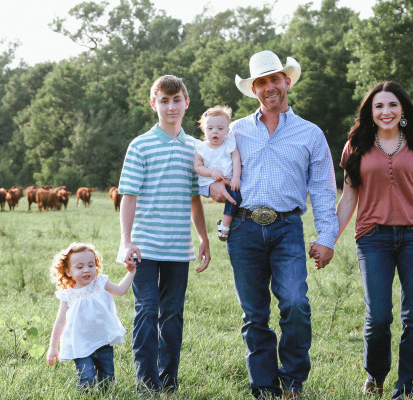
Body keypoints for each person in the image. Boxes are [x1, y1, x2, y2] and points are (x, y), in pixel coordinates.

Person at [209, 50, 338, 399]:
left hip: (286, 228)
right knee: (255, 313)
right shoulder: (234, 131)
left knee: (295, 302)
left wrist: (328, 237)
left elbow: (324, 190)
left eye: (275, 79)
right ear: (254, 90)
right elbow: (208, 164)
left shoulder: (310, 134)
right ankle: (264, 387)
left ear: (287, 81)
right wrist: (213, 185)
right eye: (261, 82)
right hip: (244, 227)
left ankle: (293, 380)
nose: (269, 87)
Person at [335, 81, 413, 399]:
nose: (386, 111)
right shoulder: (355, 146)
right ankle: (375, 376)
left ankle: (410, 387)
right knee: (379, 316)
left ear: (403, 110)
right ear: (370, 112)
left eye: (393, 105)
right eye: (379, 106)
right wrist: (329, 239)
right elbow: (347, 200)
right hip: (373, 238)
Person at [117, 74, 211, 395]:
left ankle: (168, 382)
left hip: (178, 248)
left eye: (176, 100)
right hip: (143, 247)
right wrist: (125, 241)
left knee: (172, 312)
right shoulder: (140, 145)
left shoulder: (196, 148)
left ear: (186, 103)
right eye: (164, 100)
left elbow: (195, 198)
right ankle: (146, 384)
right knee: (146, 309)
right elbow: (128, 196)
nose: (170, 107)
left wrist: (204, 237)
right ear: (153, 104)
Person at [46, 242, 136, 390]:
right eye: (80, 267)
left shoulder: (100, 283)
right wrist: (53, 347)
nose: (86, 270)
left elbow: (120, 291)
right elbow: (60, 322)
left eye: (91, 265)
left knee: (107, 378)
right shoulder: (69, 294)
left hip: (103, 341)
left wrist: (131, 272)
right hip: (81, 343)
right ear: (68, 271)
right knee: (86, 378)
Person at [193, 105, 242, 241]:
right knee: (234, 195)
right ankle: (226, 224)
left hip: (229, 179)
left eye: (220, 128)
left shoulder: (229, 143)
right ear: (204, 130)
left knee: (236, 193)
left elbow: (236, 158)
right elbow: (198, 166)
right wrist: (211, 172)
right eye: (210, 128)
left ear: (227, 130)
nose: (215, 132)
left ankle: (225, 222)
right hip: (209, 181)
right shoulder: (201, 148)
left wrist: (236, 177)